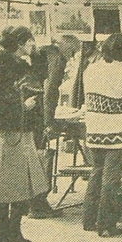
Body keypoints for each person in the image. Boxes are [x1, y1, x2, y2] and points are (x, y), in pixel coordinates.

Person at [0, 26, 50, 242]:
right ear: (20, 43)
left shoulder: (8, 63)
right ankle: (2, 236)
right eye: (30, 41)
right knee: (5, 188)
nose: (32, 45)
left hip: (20, 130)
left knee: (22, 184)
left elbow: (40, 75)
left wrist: (35, 53)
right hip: (10, 131)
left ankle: (14, 231)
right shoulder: (3, 66)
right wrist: (22, 105)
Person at [82, 33, 122, 236]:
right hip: (114, 131)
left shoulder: (90, 69)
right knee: (111, 179)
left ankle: (89, 219)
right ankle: (106, 224)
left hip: (93, 128)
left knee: (96, 172)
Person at [27, 34, 81, 218]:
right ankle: (38, 204)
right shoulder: (57, 58)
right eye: (73, 51)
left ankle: (30, 202)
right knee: (40, 157)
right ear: (65, 46)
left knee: (32, 157)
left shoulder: (44, 52)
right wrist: (48, 121)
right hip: (39, 115)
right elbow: (50, 90)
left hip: (30, 111)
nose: (72, 57)